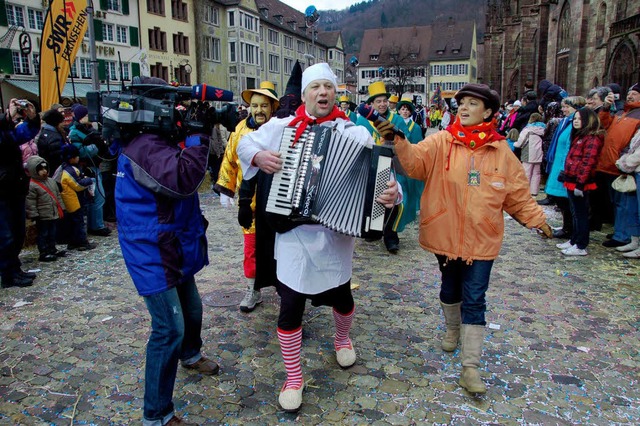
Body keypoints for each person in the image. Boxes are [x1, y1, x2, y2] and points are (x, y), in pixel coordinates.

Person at [237, 63, 401, 412]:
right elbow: (244, 144)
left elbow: (382, 178)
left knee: (341, 297)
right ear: (306, 94)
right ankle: (294, 377)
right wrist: (259, 155)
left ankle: (342, 339)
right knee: (290, 306)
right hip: (294, 235)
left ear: (335, 93)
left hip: (335, 237)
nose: (323, 93)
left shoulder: (354, 133)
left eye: (328, 86)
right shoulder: (282, 127)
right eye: (316, 87)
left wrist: (393, 194)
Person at [377, 83, 552, 394]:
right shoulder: (441, 142)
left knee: (475, 297)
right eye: (462, 103)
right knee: (449, 287)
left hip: (482, 239)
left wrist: (536, 219)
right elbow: (415, 163)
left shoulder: (501, 152)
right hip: (445, 234)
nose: (465, 108)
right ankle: (452, 327)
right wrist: (398, 140)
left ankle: (470, 368)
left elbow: (517, 195)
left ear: (488, 112)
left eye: (473, 103)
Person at [115, 77, 220, 426]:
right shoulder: (144, 145)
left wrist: (197, 128)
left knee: (191, 308)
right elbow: (184, 180)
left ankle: (190, 355)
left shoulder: (154, 139)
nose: (177, 111)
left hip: (168, 241)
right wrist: (197, 134)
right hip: (150, 248)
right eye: (171, 104)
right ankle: (156, 415)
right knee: (168, 327)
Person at [214, 81, 279, 313]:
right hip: (248, 204)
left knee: (279, 248)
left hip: (276, 202)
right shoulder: (240, 129)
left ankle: (286, 290)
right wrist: (225, 188)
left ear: (272, 107)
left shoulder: (281, 129)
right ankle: (253, 289)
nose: (259, 110)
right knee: (251, 248)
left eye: (264, 105)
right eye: (254, 105)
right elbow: (230, 160)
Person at [355, 81, 405, 253]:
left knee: (393, 201)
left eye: (385, 100)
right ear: (371, 104)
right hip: (370, 165)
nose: (382, 104)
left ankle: (391, 236)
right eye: (378, 101)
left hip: (392, 166)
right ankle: (373, 230)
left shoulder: (397, 120)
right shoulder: (361, 121)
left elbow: (407, 144)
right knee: (370, 199)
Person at [0, 98, 42, 289]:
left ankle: (14, 270)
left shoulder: (6, 129)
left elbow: (21, 134)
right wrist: (7, 117)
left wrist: (33, 119)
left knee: (16, 232)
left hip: (13, 186)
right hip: (3, 189)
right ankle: (8, 274)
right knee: (6, 235)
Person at [555, 108, 604, 256]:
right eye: (575, 118)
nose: (576, 121)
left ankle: (581, 244)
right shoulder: (579, 136)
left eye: (579, 119)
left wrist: (580, 183)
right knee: (575, 212)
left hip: (580, 181)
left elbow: (588, 162)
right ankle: (574, 240)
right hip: (572, 178)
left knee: (581, 213)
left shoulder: (592, 138)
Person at [596, 85, 640, 248]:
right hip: (609, 163)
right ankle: (619, 230)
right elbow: (603, 124)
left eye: (634, 94)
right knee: (616, 201)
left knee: (625, 203)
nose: (630, 96)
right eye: (629, 93)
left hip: (623, 164)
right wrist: (606, 107)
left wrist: (625, 159)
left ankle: (624, 235)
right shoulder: (621, 112)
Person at [544, 96, 586, 238]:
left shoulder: (574, 123)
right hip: (559, 164)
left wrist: (565, 168)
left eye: (567, 107)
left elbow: (570, 147)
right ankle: (567, 226)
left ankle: (569, 229)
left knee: (567, 202)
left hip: (565, 167)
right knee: (562, 201)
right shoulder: (567, 122)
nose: (563, 109)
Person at [68, 104, 112, 237]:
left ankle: (97, 224)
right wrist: (96, 146)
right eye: (86, 115)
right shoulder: (75, 132)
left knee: (98, 197)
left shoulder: (89, 129)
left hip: (94, 166)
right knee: (96, 196)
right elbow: (80, 152)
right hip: (85, 167)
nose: (89, 117)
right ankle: (96, 226)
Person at [55, 144, 97, 251]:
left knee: (74, 222)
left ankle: (73, 242)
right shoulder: (69, 170)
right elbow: (78, 185)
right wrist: (89, 180)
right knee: (78, 221)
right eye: (77, 156)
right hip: (73, 200)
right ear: (72, 158)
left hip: (71, 199)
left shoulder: (65, 168)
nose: (78, 158)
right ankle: (82, 242)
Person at [25, 155, 66, 262]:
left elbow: (57, 195)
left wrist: (62, 207)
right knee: (43, 234)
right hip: (42, 216)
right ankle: (44, 252)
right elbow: (30, 202)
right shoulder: (32, 185)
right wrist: (33, 214)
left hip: (52, 213)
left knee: (52, 233)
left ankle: (52, 249)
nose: (44, 171)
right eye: (40, 169)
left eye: (45, 168)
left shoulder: (51, 181)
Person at [395, 98, 425, 232]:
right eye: (403, 109)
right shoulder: (395, 124)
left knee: (411, 189)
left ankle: (408, 213)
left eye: (407, 109)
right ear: (399, 111)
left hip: (411, 162)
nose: (405, 111)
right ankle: (399, 218)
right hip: (398, 162)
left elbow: (419, 144)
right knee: (402, 190)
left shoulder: (416, 127)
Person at [615, 128, 640, 258]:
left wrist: (624, 162)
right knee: (633, 209)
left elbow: (638, 155)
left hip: (635, 168)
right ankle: (634, 240)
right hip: (635, 172)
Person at [514, 113, 545, 196]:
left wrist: (515, 144)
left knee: (526, 172)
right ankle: (534, 191)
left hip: (528, 152)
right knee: (536, 173)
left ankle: (524, 190)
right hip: (539, 153)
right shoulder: (543, 129)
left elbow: (520, 142)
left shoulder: (527, 129)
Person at [36, 108, 70, 175]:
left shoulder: (44, 132)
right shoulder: (54, 137)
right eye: (61, 122)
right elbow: (59, 157)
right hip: (56, 171)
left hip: (49, 169)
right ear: (56, 123)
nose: (63, 124)